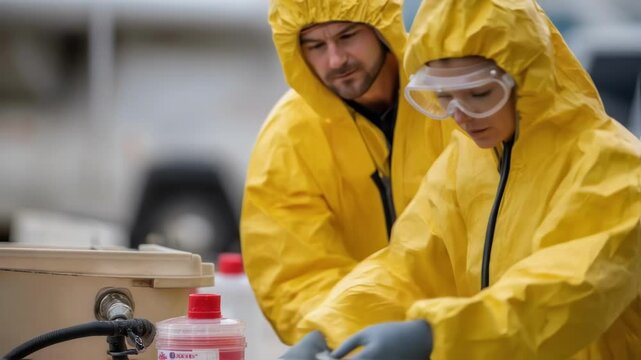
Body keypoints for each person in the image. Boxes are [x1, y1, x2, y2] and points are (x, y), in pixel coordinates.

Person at [288, 0, 641, 358]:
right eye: (444, 96)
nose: (462, 117)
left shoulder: (612, 167)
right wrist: (332, 329)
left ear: (528, 77)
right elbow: (408, 266)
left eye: (479, 95)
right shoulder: (467, 161)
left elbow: (561, 294)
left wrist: (435, 334)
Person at [240, 0, 453, 346]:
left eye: (348, 35)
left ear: (381, 27)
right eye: (316, 45)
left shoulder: (453, 100)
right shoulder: (288, 138)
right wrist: (362, 343)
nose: (336, 60)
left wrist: (442, 334)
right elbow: (297, 278)